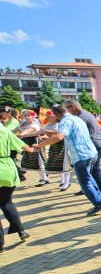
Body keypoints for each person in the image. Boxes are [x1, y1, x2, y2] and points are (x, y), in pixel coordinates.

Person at [33, 105, 101, 216]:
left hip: (81, 155)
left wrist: (40, 145)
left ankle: (98, 203)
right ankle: (98, 195)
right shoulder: (76, 118)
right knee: (88, 176)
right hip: (91, 152)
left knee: (84, 182)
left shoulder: (65, 122)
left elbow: (59, 137)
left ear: (56, 114)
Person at [64, 100, 101, 197]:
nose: (67, 110)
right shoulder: (85, 114)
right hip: (99, 142)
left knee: (93, 169)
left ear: (74, 106)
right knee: (94, 167)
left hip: (95, 143)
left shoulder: (81, 117)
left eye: (68, 108)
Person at [0, 124, 33, 252]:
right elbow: (25, 148)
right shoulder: (6, 131)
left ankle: (0, 244)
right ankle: (21, 230)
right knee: (7, 202)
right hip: (8, 170)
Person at [16, 111, 48, 186]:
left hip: (35, 144)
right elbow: (15, 130)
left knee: (39, 161)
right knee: (33, 162)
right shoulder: (24, 124)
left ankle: (44, 178)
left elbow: (23, 133)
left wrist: (20, 135)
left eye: (28, 115)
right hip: (28, 144)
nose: (26, 117)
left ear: (33, 116)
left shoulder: (35, 125)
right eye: (25, 115)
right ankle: (44, 177)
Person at [1, 107, 26, 181]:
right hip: (7, 145)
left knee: (11, 161)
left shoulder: (14, 122)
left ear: (9, 113)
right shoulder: (8, 122)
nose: (2, 113)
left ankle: (20, 175)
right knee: (11, 161)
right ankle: (20, 174)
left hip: (12, 145)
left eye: (3, 112)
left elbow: (7, 132)